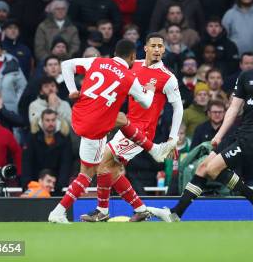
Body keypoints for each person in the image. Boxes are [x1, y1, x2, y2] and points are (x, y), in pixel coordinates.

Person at [150, 39, 253, 222]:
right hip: (240, 132)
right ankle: (175, 213)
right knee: (203, 168)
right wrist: (219, 135)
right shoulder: (246, 77)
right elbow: (233, 108)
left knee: (212, 169)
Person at [47, 40, 172, 223]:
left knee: (118, 123)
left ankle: (138, 208)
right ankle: (59, 212)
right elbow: (146, 102)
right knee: (87, 174)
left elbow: (66, 65)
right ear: (132, 57)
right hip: (96, 128)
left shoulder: (97, 62)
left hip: (79, 118)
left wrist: (73, 90)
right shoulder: (129, 78)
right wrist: (151, 88)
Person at [81, 33, 183, 223]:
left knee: (103, 163)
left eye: (160, 46)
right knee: (111, 170)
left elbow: (178, 107)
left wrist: (172, 137)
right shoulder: (133, 65)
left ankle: (103, 210)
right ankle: (140, 209)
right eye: (153, 46)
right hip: (126, 126)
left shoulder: (167, 77)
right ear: (145, 48)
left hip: (142, 131)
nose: (157, 50)